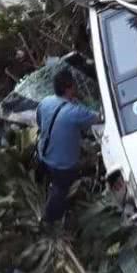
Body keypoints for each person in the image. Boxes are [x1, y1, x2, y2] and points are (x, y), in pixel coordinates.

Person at [36, 69, 101, 224]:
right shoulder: (75, 112)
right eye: (74, 85)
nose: (76, 87)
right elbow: (99, 118)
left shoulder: (45, 102)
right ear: (68, 88)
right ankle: (50, 219)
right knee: (61, 189)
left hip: (43, 154)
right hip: (62, 166)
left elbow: (39, 122)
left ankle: (47, 184)